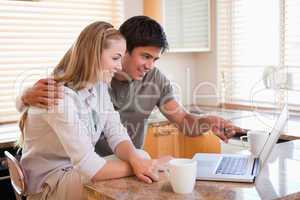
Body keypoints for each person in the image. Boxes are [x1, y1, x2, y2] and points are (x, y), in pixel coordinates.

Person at [17, 16, 245, 157]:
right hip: (91, 172)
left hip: (128, 166)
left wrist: (207, 121)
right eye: (145, 56)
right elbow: (45, 102)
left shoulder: (156, 80)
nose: (150, 66)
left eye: (155, 59)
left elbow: (184, 121)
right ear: (123, 49)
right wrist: (25, 96)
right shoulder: (93, 77)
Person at [19, 21, 170, 200]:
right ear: (92, 55)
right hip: (51, 183)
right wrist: (147, 164)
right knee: (141, 164)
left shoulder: (98, 87)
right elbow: (90, 167)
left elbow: (116, 133)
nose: (120, 67)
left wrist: (139, 160)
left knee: (140, 155)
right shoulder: (58, 97)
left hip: (73, 171)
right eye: (115, 58)